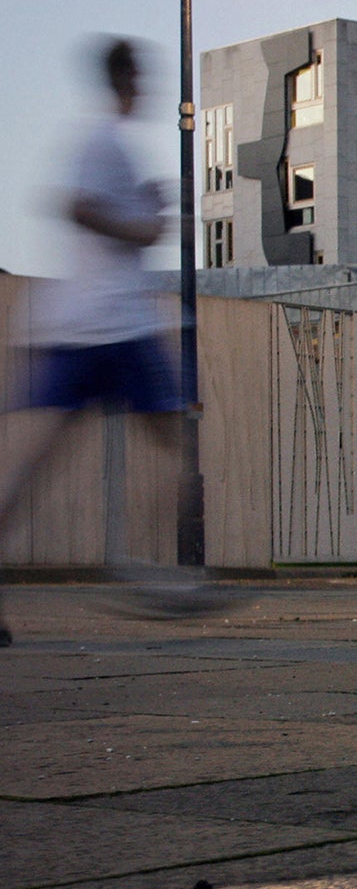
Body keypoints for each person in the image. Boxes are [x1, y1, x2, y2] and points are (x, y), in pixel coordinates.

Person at [0, 38, 216, 646]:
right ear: (123, 78)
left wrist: (141, 211)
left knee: (29, 464)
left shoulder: (103, 144)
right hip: (115, 325)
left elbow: (91, 211)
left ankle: (151, 574)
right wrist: (145, 224)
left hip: (73, 326)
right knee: (177, 443)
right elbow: (77, 207)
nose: (143, 85)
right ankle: (156, 577)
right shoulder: (102, 140)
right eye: (139, 74)